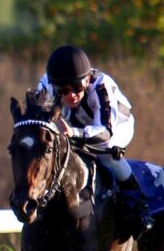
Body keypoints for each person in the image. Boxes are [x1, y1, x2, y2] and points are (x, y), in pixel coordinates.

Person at [35, 45, 152, 236]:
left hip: (114, 128)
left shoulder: (101, 86)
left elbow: (106, 133)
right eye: (63, 90)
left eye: (77, 87)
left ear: (87, 80)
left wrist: (73, 133)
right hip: (72, 124)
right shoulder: (46, 84)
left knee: (108, 159)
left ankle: (140, 207)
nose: (71, 95)